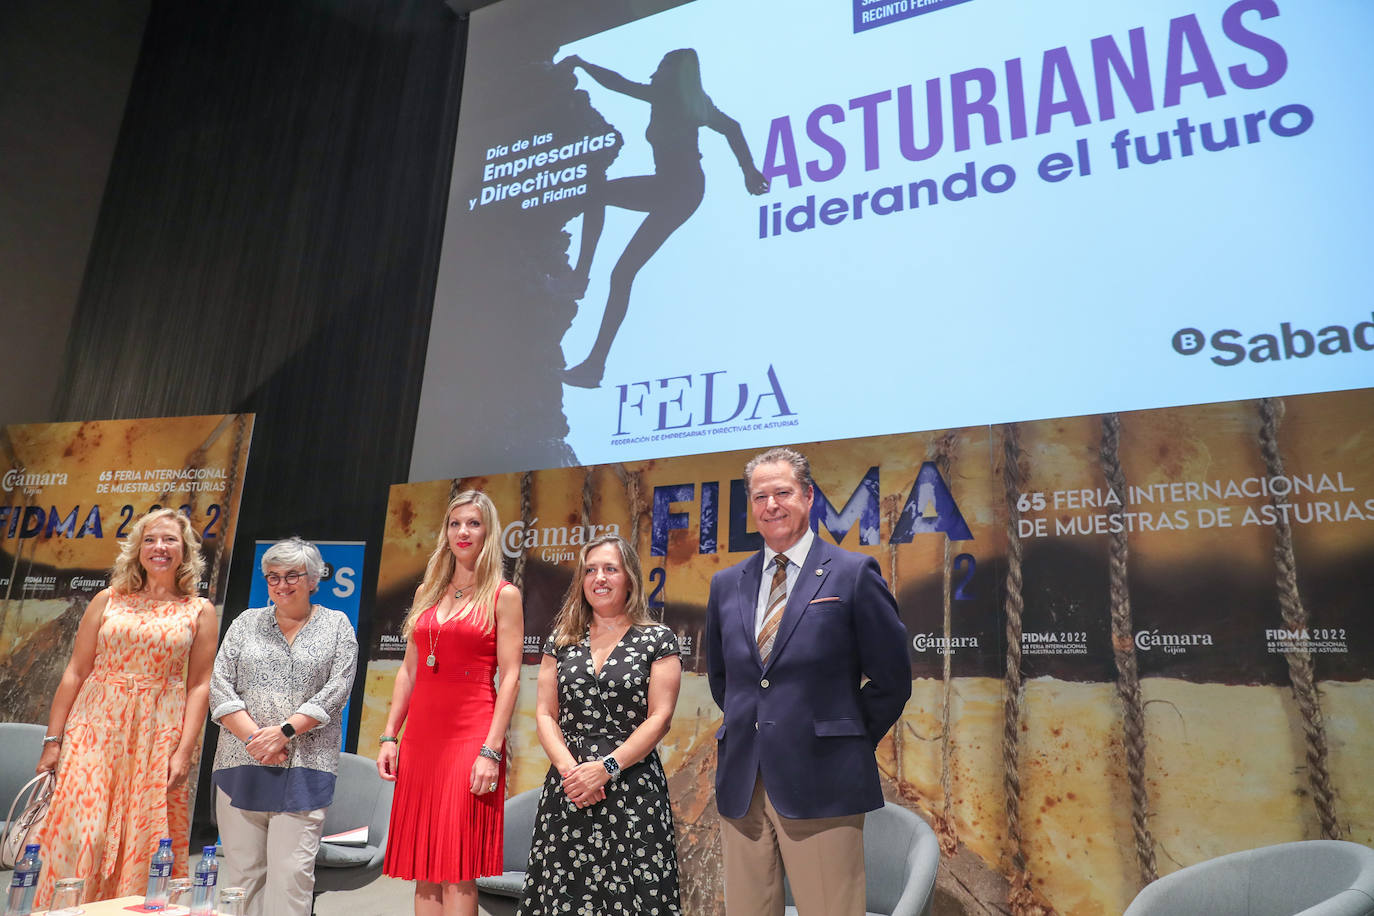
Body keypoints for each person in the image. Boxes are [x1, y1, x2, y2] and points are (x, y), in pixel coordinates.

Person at [705, 447, 912, 916]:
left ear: (809, 495)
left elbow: (892, 680)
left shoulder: (854, 574)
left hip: (825, 782)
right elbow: (727, 681)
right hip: (742, 783)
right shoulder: (726, 584)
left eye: (783, 492)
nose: (771, 505)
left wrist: (842, 738)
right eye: (760, 496)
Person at [34, 507, 218, 906]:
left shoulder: (198, 610)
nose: (160, 547)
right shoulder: (108, 599)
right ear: (137, 549)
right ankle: (66, 909)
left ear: (185, 551)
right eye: (151, 539)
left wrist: (185, 751)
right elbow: (75, 671)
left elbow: (200, 684)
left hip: (157, 729)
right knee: (84, 831)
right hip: (95, 723)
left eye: (170, 540)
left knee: (143, 834)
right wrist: (53, 740)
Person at [559, 49, 769, 388]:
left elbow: (620, 85)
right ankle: (594, 364)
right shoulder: (694, 101)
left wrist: (583, 64)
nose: (655, 72)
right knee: (620, 267)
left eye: (661, 66)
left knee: (606, 225)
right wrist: (747, 170)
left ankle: (581, 280)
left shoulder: (670, 95)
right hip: (679, 188)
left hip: (679, 187)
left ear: (672, 72)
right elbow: (732, 128)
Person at [518, 534, 683, 916]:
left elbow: (660, 718)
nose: (599, 578)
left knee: (634, 898)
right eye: (590, 570)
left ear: (630, 578)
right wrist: (571, 771)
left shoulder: (657, 639)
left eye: (610, 568)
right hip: (570, 789)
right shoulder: (561, 641)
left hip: (632, 789)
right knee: (564, 898)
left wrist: (606, 768)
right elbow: (545, 714)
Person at [378, 490, 524, 916]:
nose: (463, 531)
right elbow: (409, 671)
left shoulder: (503, 594)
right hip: (422, 738)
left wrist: (491, 750)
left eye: (474, 523)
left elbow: (511, 676)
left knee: (457, 866)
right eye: (456, 523)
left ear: (489, 532)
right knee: (425, 863)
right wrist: (390, 735)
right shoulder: (428, 590)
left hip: (471, 734)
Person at [209, 537, 358, 916]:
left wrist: (284, 732)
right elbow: (220, 686)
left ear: (313, 579)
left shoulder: (337, 625)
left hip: (306, 767)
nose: (281, 584)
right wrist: (257, 740)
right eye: (272, 576)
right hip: (241, 761)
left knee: (291, 876)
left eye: (292, 575)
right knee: (243, 876)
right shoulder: (245, 623)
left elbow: (336, 691)